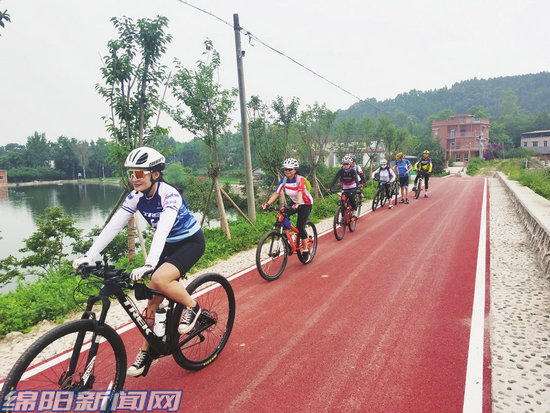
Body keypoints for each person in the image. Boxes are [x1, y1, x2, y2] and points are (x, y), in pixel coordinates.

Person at [73, 147, 205, 378]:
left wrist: (149, 264)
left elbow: (162, 230)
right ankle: (148, 351)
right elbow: (114, 226)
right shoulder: (136, 196)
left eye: (139, 173)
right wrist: (89, 255)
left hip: (189, 242)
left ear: (155, 174)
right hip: (167, 245)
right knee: (152, 301)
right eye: (131, 173)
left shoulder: (169, 195)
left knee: (159, 279)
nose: (134, 178)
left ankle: (193, 307)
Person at [262, 158, 313, 259]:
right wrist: (267, 204)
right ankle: (287, 240)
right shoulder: (284, 180)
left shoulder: (300, 179)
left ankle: (306, 250)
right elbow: (276, 193)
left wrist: (298, 203)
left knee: (300, 227)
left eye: (290, 169)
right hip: (294, 202)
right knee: (281, 218)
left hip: (305, 203)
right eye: (285, 169)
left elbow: (300, 192)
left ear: (295, 170)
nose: (287, 171)